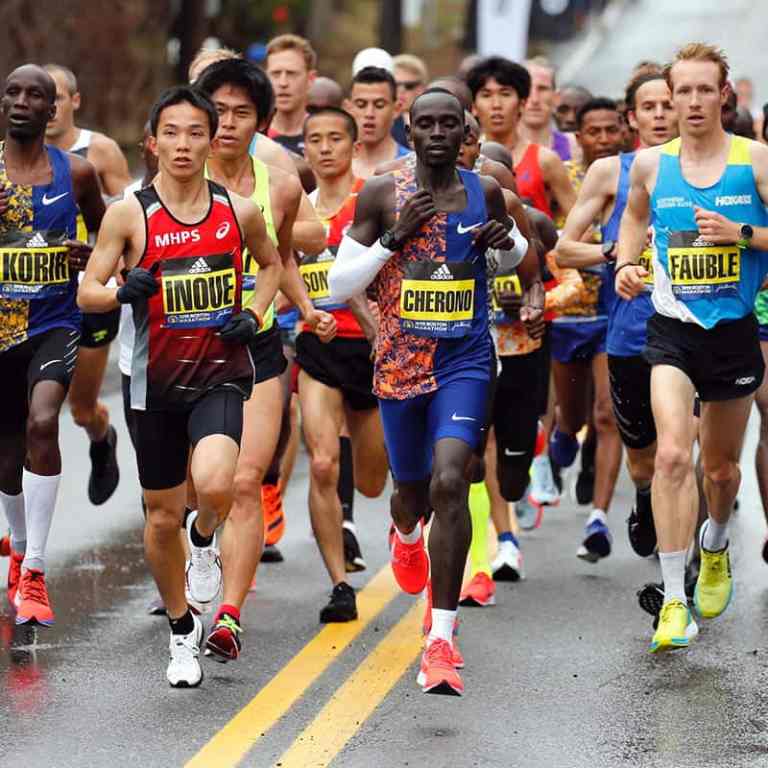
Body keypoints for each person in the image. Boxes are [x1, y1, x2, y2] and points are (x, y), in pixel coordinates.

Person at [329, 88, 544, 695]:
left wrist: (503, 241)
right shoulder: (379, 191)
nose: (439, 133)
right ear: (410, 129)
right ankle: (403, 534)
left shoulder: (485, 189)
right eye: (426, 124)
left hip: (466, 358)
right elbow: (340, 281)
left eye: (450, 123)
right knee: (412, 494)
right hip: (400, 363)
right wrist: (393, 237)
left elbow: (514, 262)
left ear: (464, 128)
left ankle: (442, 640)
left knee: (454, 478)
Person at [78, 85, 282, 687]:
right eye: (172, 132)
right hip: (153, 386)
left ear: (211, 138)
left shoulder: (238, 210)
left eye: (197, 132)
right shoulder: (128, 214)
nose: (185, 144)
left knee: (219, 484)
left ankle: (205, 542)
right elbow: (88, 288)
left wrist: (256, 309)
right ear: (153, 141)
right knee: (161, 515)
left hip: (219, 374)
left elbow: (273, 262)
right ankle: (179, 633)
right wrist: (120, 293)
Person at [616, 43, 768, 653]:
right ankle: (674, 602)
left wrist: (744, 234)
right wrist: (627, 263)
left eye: (707, 90)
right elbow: (632, 219)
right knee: (673, 456)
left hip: (733, 332)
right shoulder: (653, 166)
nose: (695, 101)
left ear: (724, 95)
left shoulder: (754, 161)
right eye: (685, 91)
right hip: (672, 330)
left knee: (720, 470)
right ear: (670, 96)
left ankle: (716, 542)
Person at [195, 58, 336, 658]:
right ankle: (200, 544)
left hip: (254, 339)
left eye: (241, 114)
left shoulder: (275, 173)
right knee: (194, 488)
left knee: (248, 480)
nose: (227, 124)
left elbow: (309, 239)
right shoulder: (175, 171)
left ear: (261, 121)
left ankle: (228, 611)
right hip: (180, 347)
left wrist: (270, 229)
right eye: (218, 111)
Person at [557, 71, 679, 567]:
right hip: (630, 332)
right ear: (632, 118)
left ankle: (684, 561)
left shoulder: (712, 171)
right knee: (647, 457)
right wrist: (617, 254)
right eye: (647, 107)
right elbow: (564, 249)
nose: (659, 115)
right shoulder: (612, 172)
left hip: (694, 331)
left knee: (681, 453)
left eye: (667, 105)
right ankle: (647, 498)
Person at [0, 64, 104, 624]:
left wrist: (92, 259)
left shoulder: (78, 173)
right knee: (8, 450)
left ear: (52, 110)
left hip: (53, 324)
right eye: (12, 92)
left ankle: (36, 570)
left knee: (43, 423)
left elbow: (110, 236)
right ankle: (17, 547)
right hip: (1, 328)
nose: (21, 101)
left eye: (34, 95)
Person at [298, 106, 389, 618]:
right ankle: (338, 584)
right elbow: (284, 274)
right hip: (319, 348)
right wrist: (308, 312)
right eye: (316, 139)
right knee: (324, 462)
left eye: (336, 138)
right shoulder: (297, 208)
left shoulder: (372, 200)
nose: (326, 147)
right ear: (305, 149)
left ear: (354, 147)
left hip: (374, 350)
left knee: (373, 481)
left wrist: (383, 323)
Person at [44, 64, 132, 505]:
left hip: (90, 293)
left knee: (78, 408)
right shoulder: (14, 156)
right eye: (42, 97)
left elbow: (131, 215)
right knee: (29, 409)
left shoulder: (99, 151)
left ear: (74, 101)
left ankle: (102, 436)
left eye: (57, 97)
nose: (49, 107)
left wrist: (111, 261)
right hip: (35, 295)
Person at [466, 56, 575, 218]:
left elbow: (582, 227)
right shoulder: (463, 156)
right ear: (474, 106)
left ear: (522, 103)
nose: (496, 104)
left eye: (505, 94)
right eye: (486, 95)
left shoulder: (545, 160)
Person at [345, 67, 410, 179]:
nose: (369, 113)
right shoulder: (334, 166)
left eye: (379, 105)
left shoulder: (411, 166)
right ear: (349, 108)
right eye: (361, 105)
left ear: (397, 109)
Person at [264, 34, 317, 155]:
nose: (283, 83)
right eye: (276, 74)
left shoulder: (325, 136)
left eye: (291, 73)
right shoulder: (251, 136)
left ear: (311, 79)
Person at [522, 56, 577, 162]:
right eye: (527, 89)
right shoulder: (495, 149)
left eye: (542, 89)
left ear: (556, 98)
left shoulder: (576, 148)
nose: (534, 99)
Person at [392, 53, 428, 146]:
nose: (401, 90)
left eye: (409, 86)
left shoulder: (433, 120)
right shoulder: (382, 122)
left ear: (422, 88)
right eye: (395, 85)